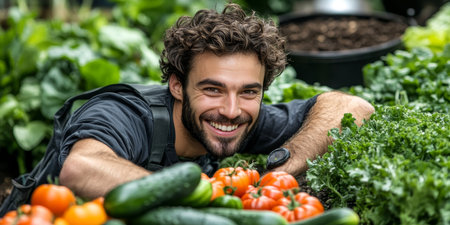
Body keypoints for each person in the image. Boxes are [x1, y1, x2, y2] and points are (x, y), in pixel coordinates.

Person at [53, 3, 374, 200]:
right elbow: (80, 169)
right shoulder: (126, 114)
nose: (231, 110)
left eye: (249, 91)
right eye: (213, 90)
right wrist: (206, 195)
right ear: (177, 86)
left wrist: (282, 171)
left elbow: (352, 107)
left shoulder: (240, 118)